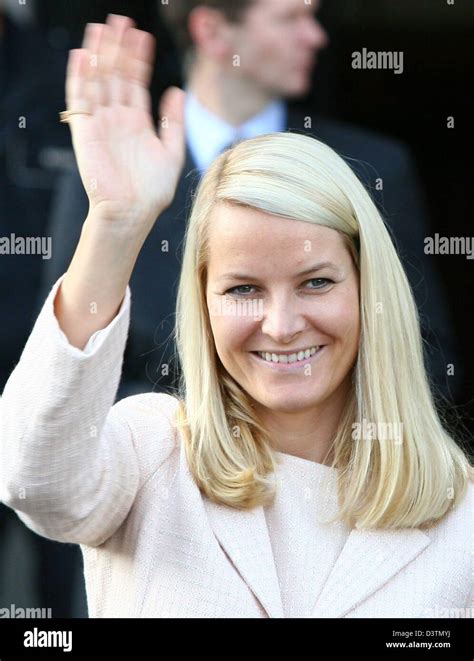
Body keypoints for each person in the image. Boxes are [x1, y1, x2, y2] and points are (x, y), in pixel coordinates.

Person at [1, 15, 472, 619]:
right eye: (243, 288)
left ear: (370, 289)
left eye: (318, 283)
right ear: (201, 302)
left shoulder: (460, 519)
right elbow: (34, 477)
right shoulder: (150, 452)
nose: (281, 324)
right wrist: (116, 223)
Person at [39, 0, 459, 401]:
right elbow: (59, 364)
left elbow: (427, 358)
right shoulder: (115, 174)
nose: (315, 36)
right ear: (214, 31)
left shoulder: (372, 168)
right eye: (290, 18)